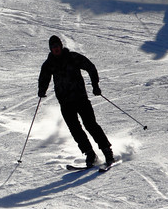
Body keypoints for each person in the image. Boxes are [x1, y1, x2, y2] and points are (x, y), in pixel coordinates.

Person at [38, 35, 114, 167]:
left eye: (57, 46)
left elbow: (90, 67)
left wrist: (95, 86)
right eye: (53, 47)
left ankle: (107, 150)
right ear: (50, 49)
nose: (56, 49)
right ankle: (90, 153)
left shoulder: (72, 57)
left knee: (90, 124)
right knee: (75, 129)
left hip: (80, 98)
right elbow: (44, 78)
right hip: (65, 102)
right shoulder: (49, 64)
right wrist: (41, 90)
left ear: (61, 46)